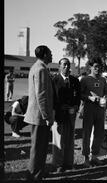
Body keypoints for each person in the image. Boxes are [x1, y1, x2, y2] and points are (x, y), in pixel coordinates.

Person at [23, 45, 54, 180]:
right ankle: (33, 174)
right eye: (50, 53)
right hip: (40, 115)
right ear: (45, 54)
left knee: (42, 146)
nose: (52, 55)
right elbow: (40, 94)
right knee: (38, 147)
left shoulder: (38, 67)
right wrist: (46, 115)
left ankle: (39, 172)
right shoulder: (40, 69)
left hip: (40, 114)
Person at [51, 58, 81, 173]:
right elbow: (52, 98)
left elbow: (77, 97)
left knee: (69, 140)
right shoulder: (54, 80)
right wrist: (59, 107)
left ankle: (69, 163)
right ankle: (58, 164)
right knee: (58, 140)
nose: (66, 67)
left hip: (71, 115)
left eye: (68, 65)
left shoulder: (75, 80)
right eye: (64, 65)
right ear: (59, 66)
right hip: (58, 115)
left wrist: (76, 106)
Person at [80, 57, 107, 167]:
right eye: (95, 66)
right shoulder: (85, 79)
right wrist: (89, 98)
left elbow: (105, 93)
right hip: (89, 109)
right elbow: (80, 94)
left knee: (99, 133)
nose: (98, 68)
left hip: (100, 109)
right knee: (86, 134)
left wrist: (105, 97)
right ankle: (86, 158)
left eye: (99, 67)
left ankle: (94, 156)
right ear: (90, 67)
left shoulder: (103, 79)